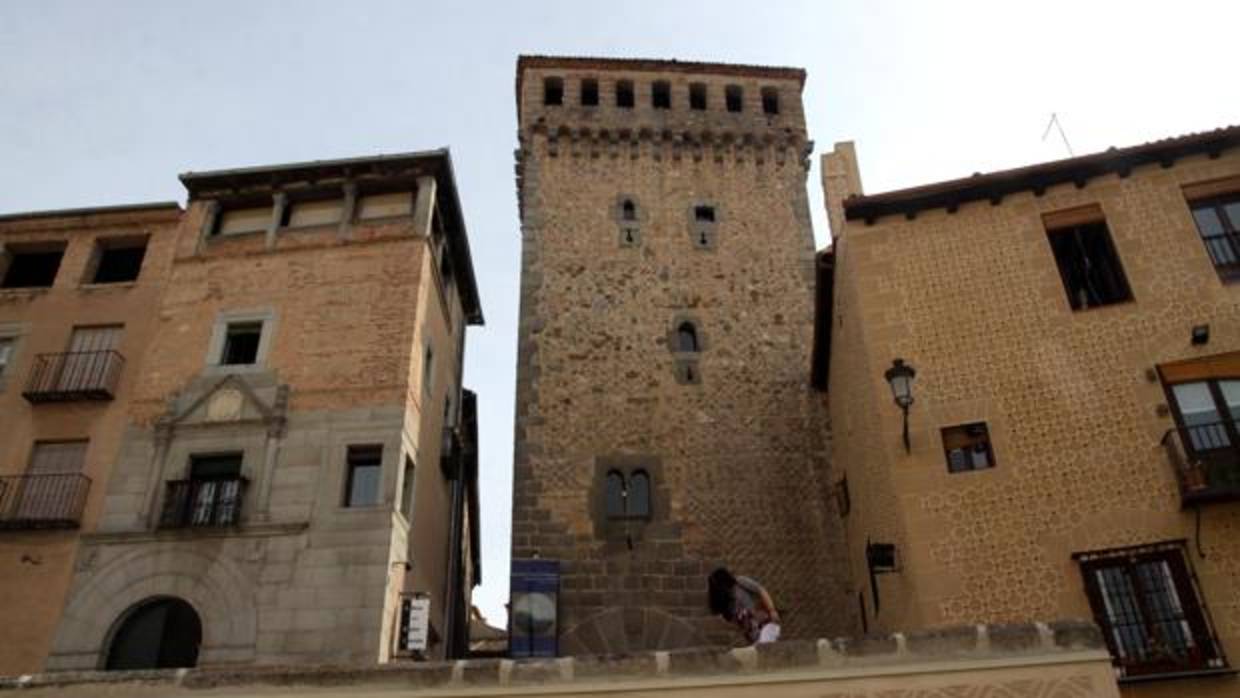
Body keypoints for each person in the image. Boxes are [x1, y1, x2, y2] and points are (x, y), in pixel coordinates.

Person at [707, 567, 781, 644]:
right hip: (751, 634)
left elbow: (761, 590)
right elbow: (731, 622)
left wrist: (772, 610)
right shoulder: (724, 601)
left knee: (764, 646)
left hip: (765, 624)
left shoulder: (739, 581)